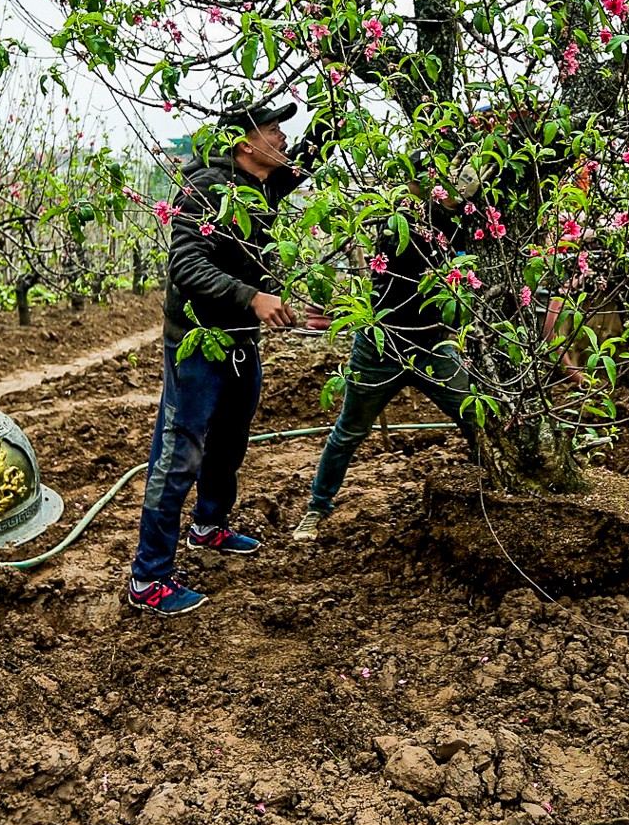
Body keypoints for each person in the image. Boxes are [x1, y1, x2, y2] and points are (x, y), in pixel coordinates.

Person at [126, 99, 328, 616]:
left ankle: (208, 525)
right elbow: (186, 267)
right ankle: (148, 579)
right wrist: (252, 297)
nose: (284, 138)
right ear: (245, 143)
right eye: (273, 130)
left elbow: (314, 149)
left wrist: (338, 77)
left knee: (231, 437)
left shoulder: (263, 184)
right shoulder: (203, 190)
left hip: (240, 338)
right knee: (180, 454)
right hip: (197, 343)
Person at [292, 152, 478, 541]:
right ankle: (317, 507)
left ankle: (491, 485)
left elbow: (463, 261)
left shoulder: (454, 221)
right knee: (348, 432)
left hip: (432, 343)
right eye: (431, 180)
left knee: (475, 415)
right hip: (381, 345)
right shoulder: (399, 223)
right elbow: (426, 254)